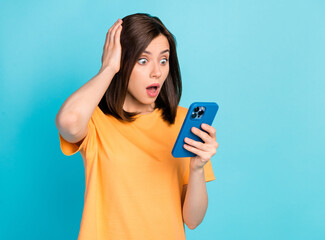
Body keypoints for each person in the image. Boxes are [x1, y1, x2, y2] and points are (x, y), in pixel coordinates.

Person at [55, 13, 219, 240]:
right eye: (143, 60)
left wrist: (197, 168)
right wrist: (108, 68)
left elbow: (193, 220)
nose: (157, 72)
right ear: (122, 62)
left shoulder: (182, 123)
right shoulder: (96, 122)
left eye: (163, 60)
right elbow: (68, 122)